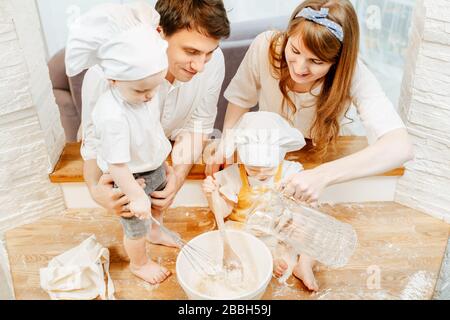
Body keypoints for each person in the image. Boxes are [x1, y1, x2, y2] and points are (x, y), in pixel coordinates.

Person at [209, 0, 414, 291]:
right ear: (288, 35)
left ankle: (306, 259)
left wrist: (321, 175)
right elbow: (241, 98)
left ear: (337, 62)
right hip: (272, 150)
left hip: (317, 152)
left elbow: (401, 147)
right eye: (294, 51)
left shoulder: (353, 72)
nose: (300, 68)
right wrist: (228, 140)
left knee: (301, 222)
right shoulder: (266, 45)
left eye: (316, 62)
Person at [80, 0, 230, 237]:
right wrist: (94, 190)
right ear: (158, 32)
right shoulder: (107, 74)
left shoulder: (214, 61)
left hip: (159, 157)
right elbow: (92, 143)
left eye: (208, 53)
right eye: (191, 52)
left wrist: (178, 176)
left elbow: (199, 125)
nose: (200, 66)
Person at [66, 2, 174, 285]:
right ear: (113, 79)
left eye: (156, 86)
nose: (150, 96)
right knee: (135, 226)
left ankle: (156, 228)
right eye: (142, 90)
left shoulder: (142, 92)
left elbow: (150, 128)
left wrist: (163, 159)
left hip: (152, 166)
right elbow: (116, 165)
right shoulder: (111, 114)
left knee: (159, 202)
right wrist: (137, 197)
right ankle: (140, 262)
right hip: (129, 178)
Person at [202, 111, 317, 288]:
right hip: (246, 229)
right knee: (234, 243)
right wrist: (212, 195)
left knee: (310, 230)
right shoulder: (233, 176)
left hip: (279, 227)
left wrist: (301, 210)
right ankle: (269, 259)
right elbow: (223, 212)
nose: (261, 174)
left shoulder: (289, 172)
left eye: (268, 168)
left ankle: (304, 265)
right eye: (254, 169)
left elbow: (306, 201)